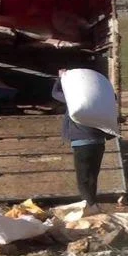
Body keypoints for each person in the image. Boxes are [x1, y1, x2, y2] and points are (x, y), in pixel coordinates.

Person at [52, 71, 111, 210]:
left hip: (81, 142)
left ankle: (91, 206)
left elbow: (55, 93)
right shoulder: (99, 99)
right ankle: (93, 202)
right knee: (92, 176)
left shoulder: (74, 97)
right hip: (98, 142)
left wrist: (60, 78)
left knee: (83, 178)